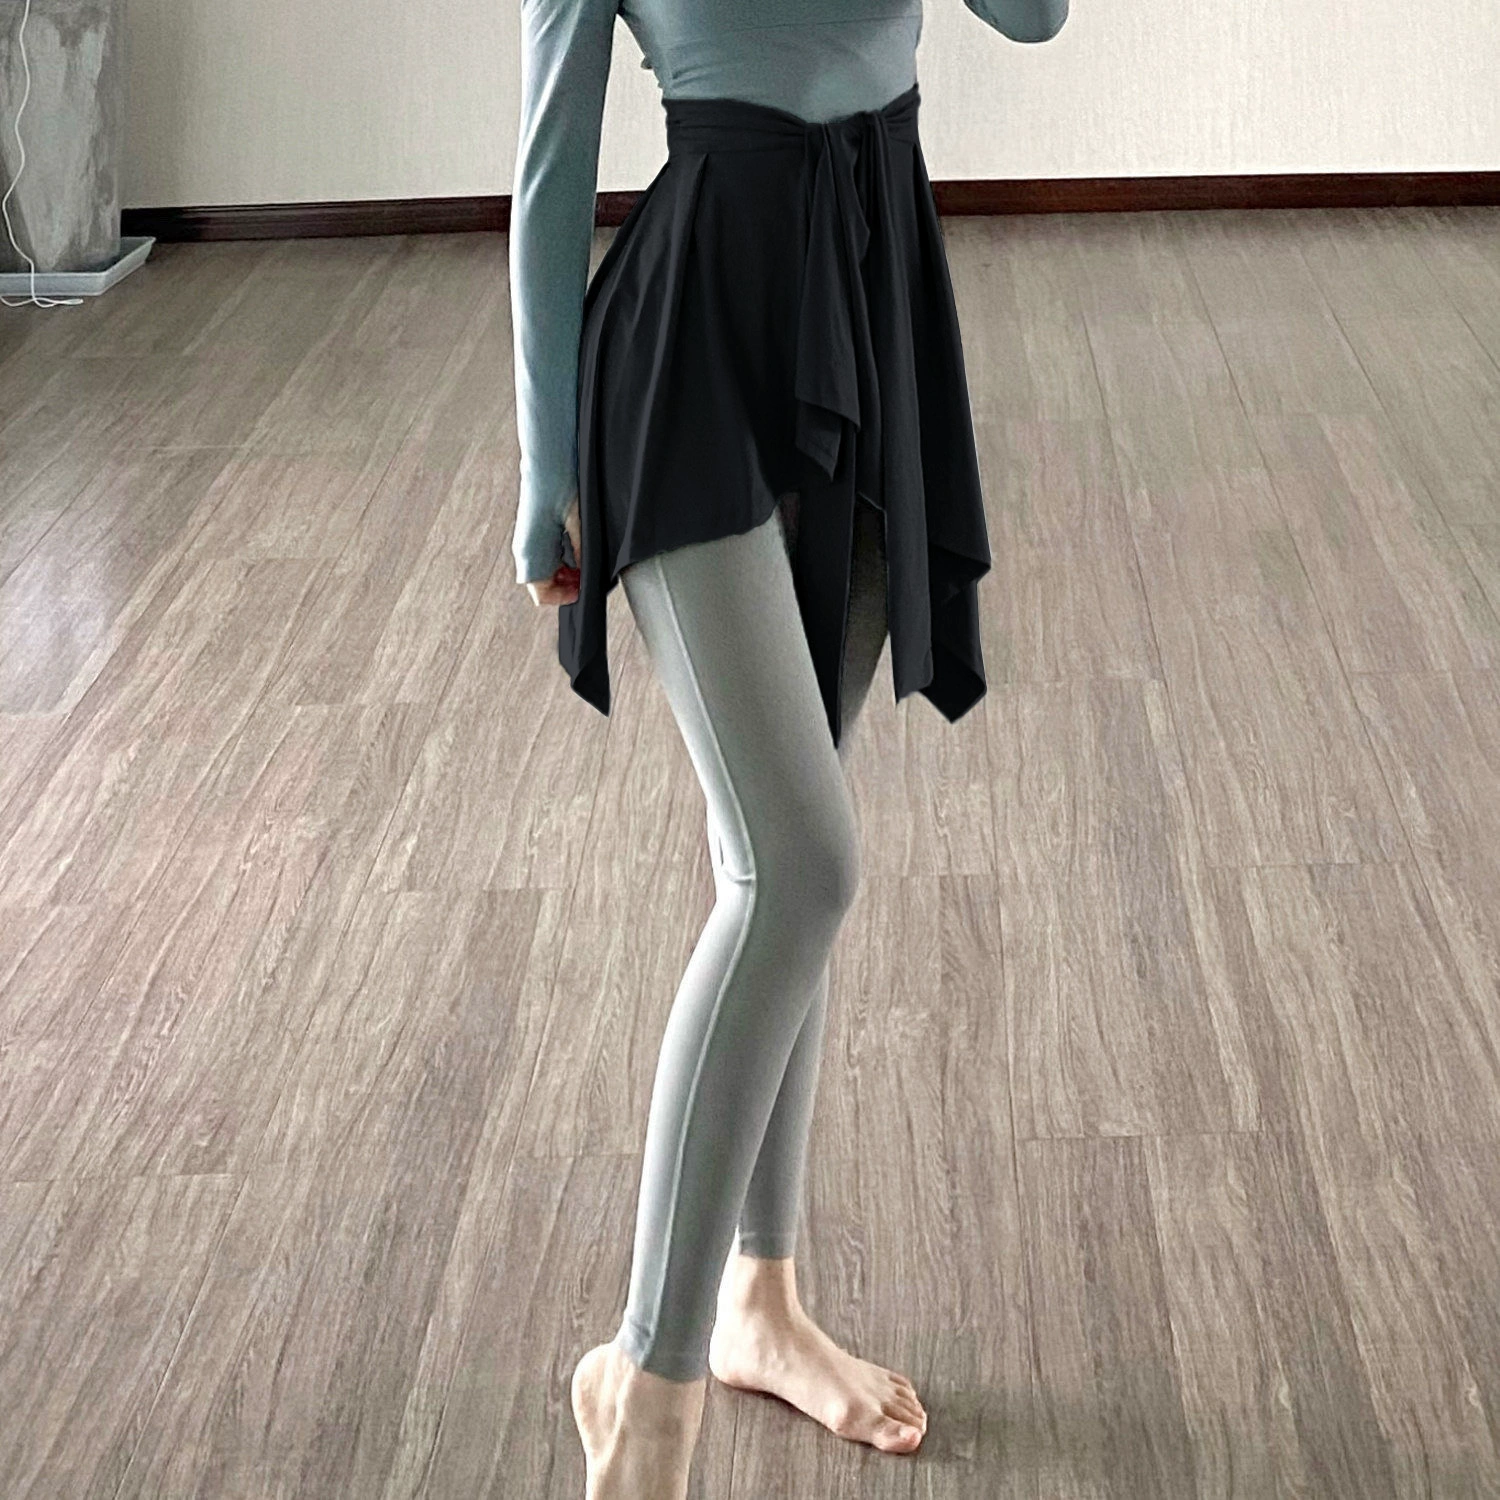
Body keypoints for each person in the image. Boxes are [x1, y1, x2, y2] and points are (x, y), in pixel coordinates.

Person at [509, 2, 1068, 1495]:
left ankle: (758, 1301)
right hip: (689, 347)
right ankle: (649, 1388)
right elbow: (552, 164)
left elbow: (1036, 16)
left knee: (785, 845)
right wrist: (545, 470)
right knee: (799, 869)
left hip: (874, 295)